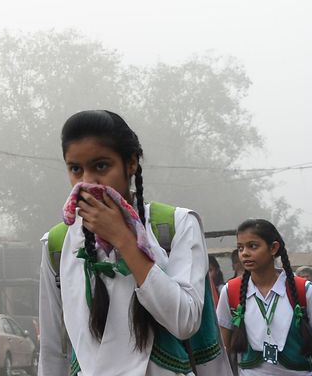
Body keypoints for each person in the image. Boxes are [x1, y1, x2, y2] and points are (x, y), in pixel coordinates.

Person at [39, 110, 231, 375]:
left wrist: (124, 239)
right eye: (75, 169)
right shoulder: (58, 243)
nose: (87, 182)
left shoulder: (176, 225)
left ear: (131, 163)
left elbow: (185, 321)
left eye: (101, 166)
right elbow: (52, 349)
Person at [217, 219, 312, 375]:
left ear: (273, 248)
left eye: (253, 246)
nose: (244, 253)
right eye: (240, 248)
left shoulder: (302, 290)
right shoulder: (231, 291)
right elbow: (223, 349)